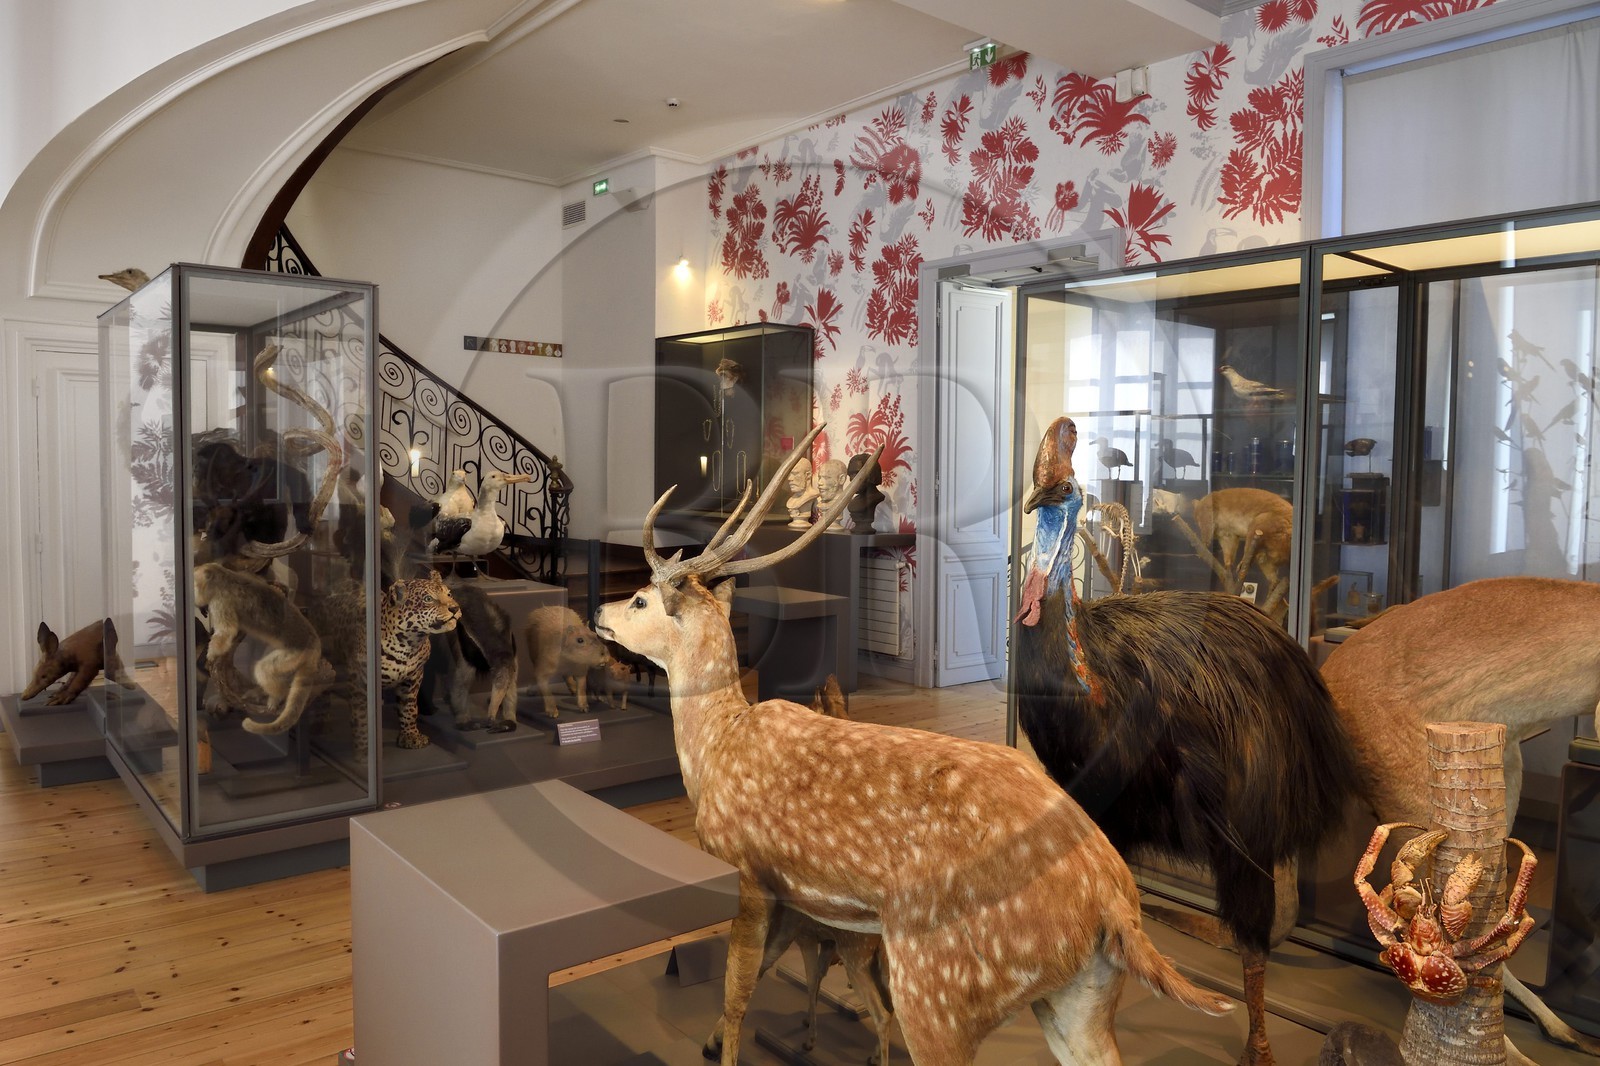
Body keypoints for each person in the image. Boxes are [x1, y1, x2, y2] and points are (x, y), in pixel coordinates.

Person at [846, 453, 884, 533]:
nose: (851, 479)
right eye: (850, 474)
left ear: (871, 474)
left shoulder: (876, 498)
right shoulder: (854, 502)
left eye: (857, 473)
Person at [814, 458, 847, 529]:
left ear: (841, 479)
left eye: (826, 478)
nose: (820, 483)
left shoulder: (848, 505)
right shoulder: (818, 504)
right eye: (819, 477)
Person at [785, 460, 817, 528]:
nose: (789, 478)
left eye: (795, 473)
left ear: (808, 475)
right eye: (789, 474)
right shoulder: (792, 499)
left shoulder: (813, 496)